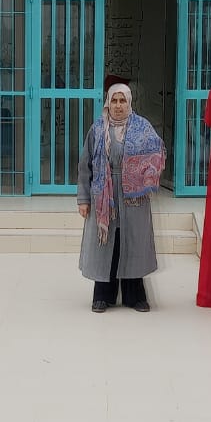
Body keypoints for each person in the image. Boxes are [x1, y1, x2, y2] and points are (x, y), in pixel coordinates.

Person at [77, 81, 166, 313]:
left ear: (129, 102)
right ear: (108, 103)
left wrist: (148, 174)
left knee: (133, 242)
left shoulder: (143, 127)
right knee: (107, 243)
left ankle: (135, 296)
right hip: (104, 195)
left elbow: (159, 154)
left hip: (134, 198)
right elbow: (85, 166)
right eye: (114, 100)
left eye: (122, 100)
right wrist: (83, 199)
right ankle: (102, 296)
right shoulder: (98, 129)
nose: (118, 106)